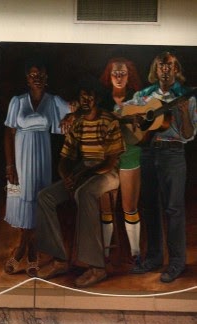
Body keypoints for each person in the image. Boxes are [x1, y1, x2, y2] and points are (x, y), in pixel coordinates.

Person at [36, 79, 124, 287]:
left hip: (107, 173)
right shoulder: (77, 122)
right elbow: (65, 158)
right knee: (45, 196)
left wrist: (84, 176)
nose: (85, 100)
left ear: (97, 99)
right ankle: (59, 260)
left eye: (90, 97)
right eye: (82, 96)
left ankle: (97, 268)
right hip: (82, 170)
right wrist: (66, 176)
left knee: (83, 193)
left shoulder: (109, 121)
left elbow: (110, 162)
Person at [128, 52, 196, 282]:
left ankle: (177, 262)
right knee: (150, 207)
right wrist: (134, 118)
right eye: (161, 66)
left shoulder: (186, 96)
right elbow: (123, 113)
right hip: (148, 151)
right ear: (155, 70)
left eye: (169, 66)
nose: (165, 70)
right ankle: (154, 257)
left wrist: (184, 112)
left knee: (174, 209)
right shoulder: (144, 95)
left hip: (173, 153)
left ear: (176, 70)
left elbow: (188, 134)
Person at [3, 61, 71, 277]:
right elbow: (8, 134)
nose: (37, 78)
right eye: (33, 75)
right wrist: (10, 165)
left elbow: (74, 112)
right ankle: (30, 252)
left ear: (46, 77)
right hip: (19, 158)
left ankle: (23, 250)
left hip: (41, 156)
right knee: (21, 202)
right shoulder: (18, 101)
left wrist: (71, 115)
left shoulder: (53, 101)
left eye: (41, 75)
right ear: (27, 78)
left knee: (37, 204)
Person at [98, 57, 143, 269]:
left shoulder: (138, 99)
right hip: (107, 156)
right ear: (108, 76)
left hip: (130, 154)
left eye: (122, 73)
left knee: (130, 207)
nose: (118, 77)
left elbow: (141, 134)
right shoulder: (100, 100)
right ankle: (104, 254)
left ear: (129, 75)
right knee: (105, 208)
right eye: (114, 73)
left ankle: (135, 254)